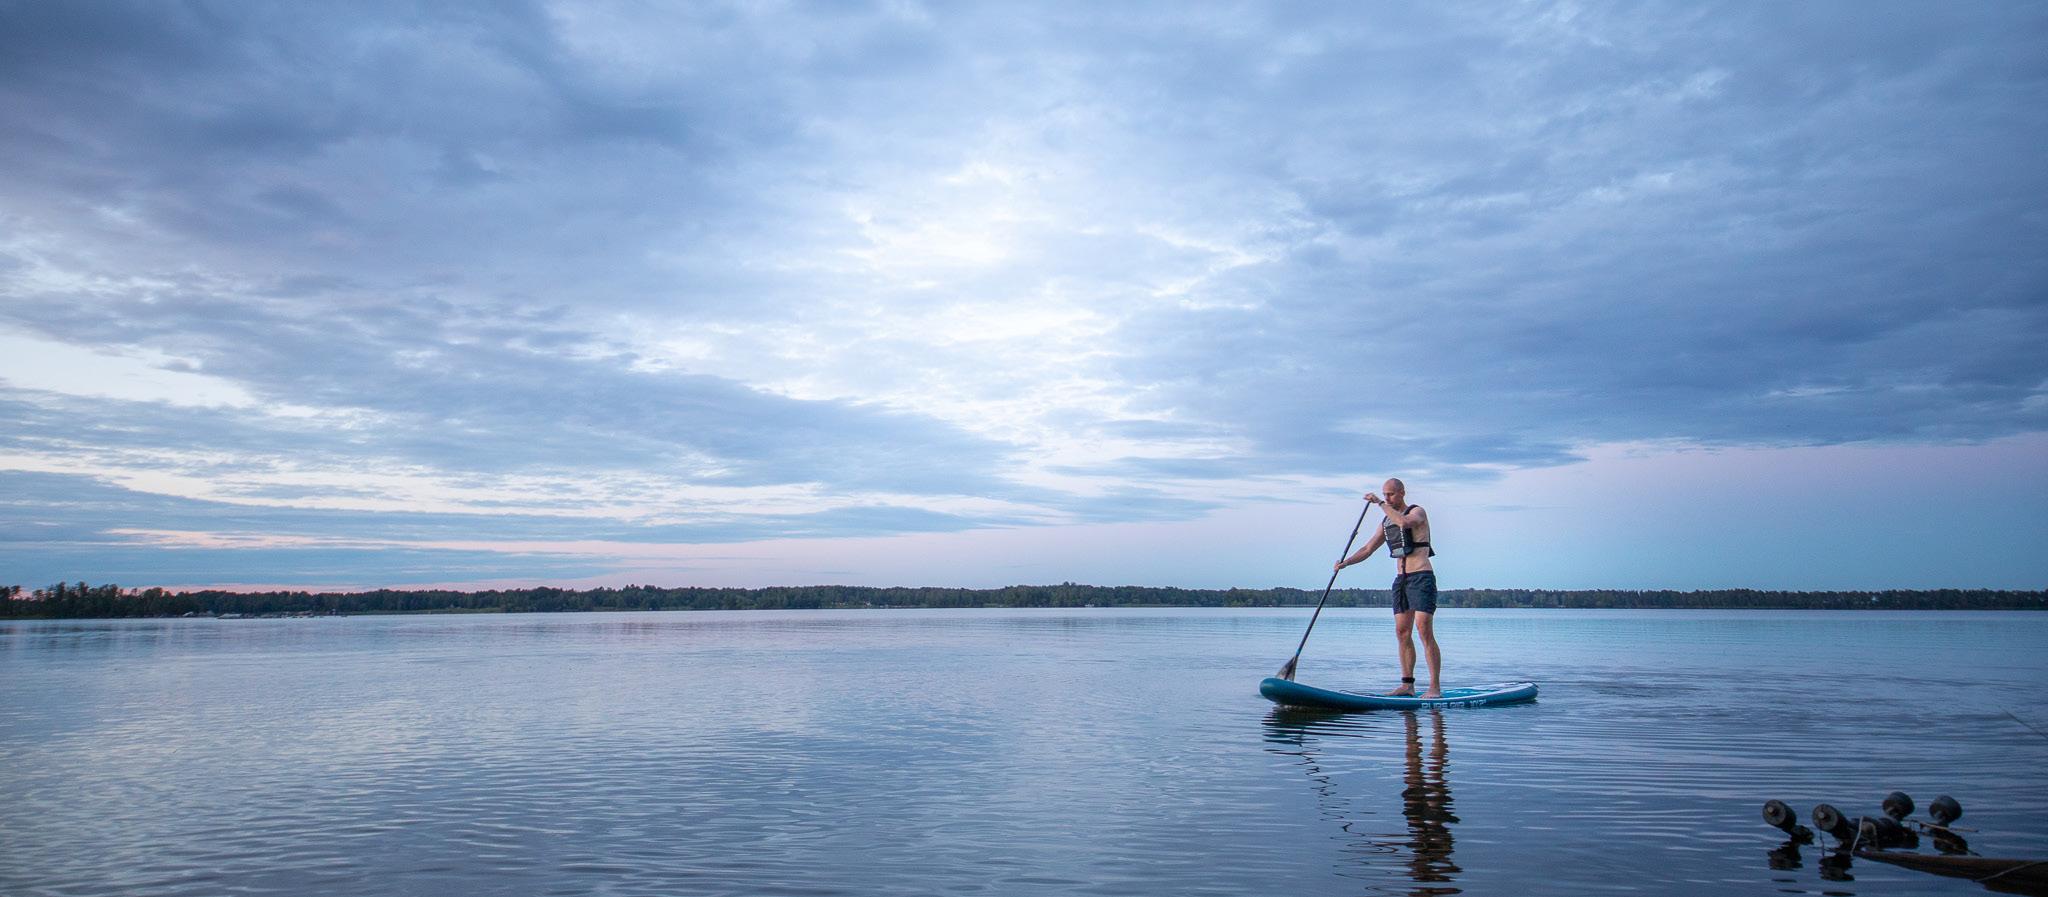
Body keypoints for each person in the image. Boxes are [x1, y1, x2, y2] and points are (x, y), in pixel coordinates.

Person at [1334, 478, 1439, 697]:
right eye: (1384, 494)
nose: (1387, 498)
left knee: (1423, 629)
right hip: (1401, 580)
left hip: (1421, 577)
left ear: (1402, 493)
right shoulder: (1386, 522)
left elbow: (1405, 523)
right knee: (1402, 632)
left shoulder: (1417, 511)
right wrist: (1346, 563)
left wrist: (1380, 503)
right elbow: (1368, 548)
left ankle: (1434, 687)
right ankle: (1407, 685)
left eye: (1390, 494)